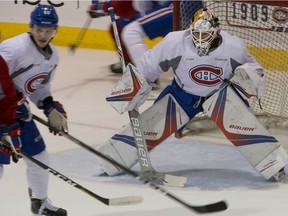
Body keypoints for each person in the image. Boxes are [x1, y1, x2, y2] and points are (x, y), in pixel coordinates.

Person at [98, 8, 288, 183]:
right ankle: (112, 160)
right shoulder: (175, 42)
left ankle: (276, 166)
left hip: (220, 96)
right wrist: (132, 87)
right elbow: (148, 65)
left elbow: (255, 70)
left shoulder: (233, 47)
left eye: (205, 34)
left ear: (216, 31)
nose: (200, 38)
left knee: (244, 127)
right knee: (149, 127)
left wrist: (247, 80)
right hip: (182, 94)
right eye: (196, 34)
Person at [0, 4, 68, 216]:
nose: (43, 35)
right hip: (2, 113)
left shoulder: (52, 57)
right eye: (39, 29)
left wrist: (50, 106)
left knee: (38, 155)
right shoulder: (13, 49)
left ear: (55, 30)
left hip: (18, 111)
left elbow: (39, 88)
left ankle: (39, 202)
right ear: (30, 27)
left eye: (48, 31)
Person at [88, 0, 141, 73]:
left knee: (120, 28)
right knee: (116, 27)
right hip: (146, 10)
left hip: (149, 12)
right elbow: (122, 7)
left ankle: (131, 63)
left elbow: (120, 5)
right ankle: (127, 61)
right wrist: (101, 12)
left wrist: (99, 7)